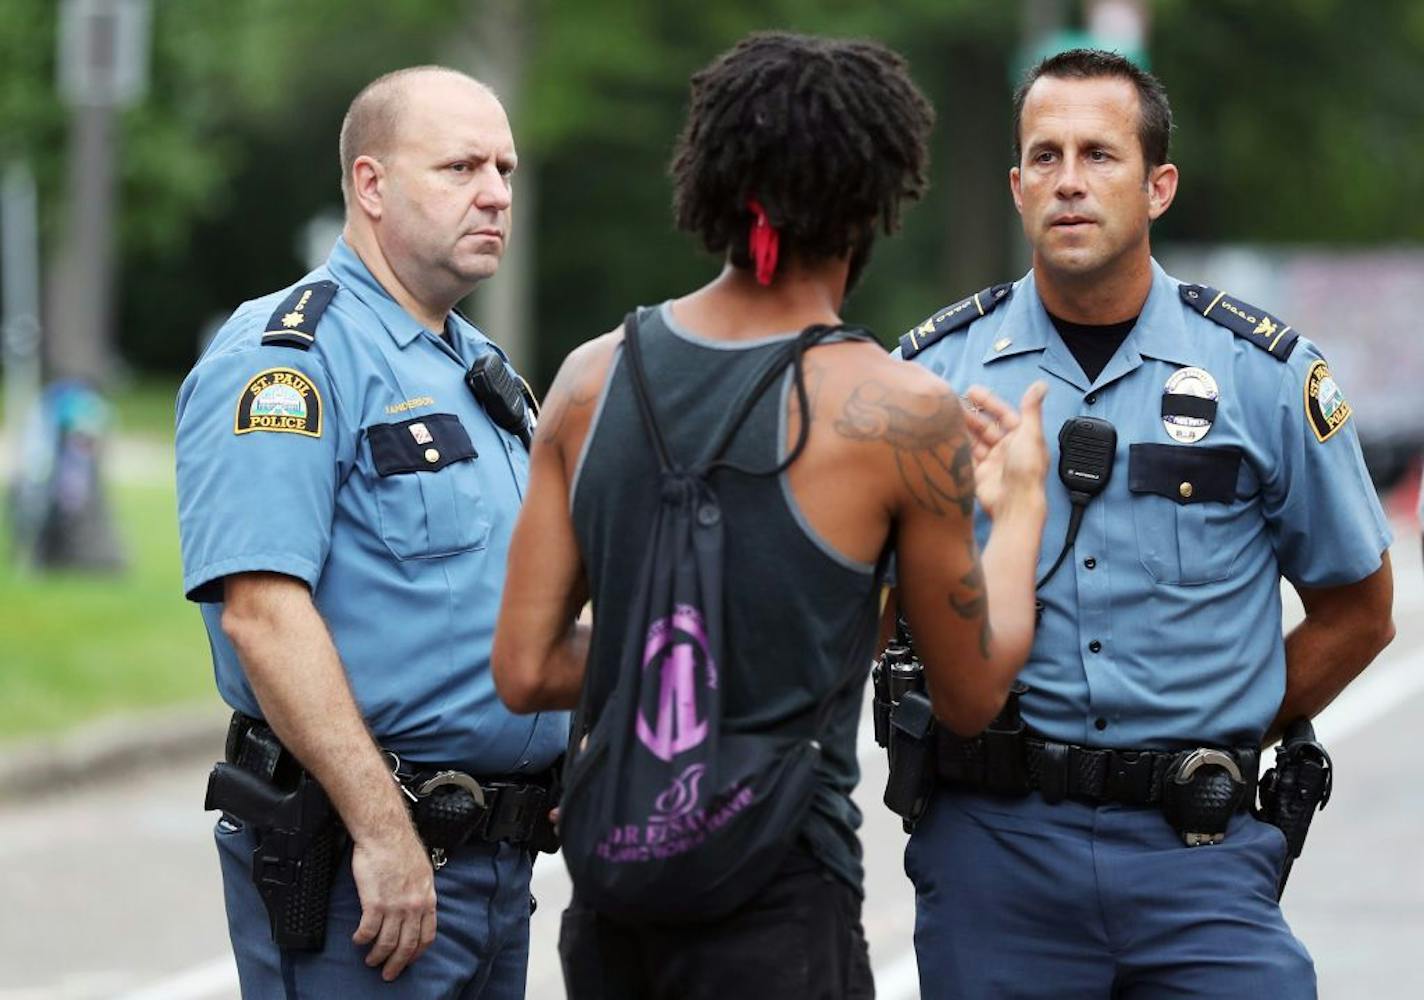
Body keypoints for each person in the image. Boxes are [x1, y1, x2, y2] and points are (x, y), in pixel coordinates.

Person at [490, 31, 1049, 1000]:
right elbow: (969, 694)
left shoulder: (588, 379)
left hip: (614, 892)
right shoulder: (900, 412)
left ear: (711, 180)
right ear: (872, 196)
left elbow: (525, 667)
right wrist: (1023, 506)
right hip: (778, 897)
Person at [896, 48, 1396, 998]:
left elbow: (1359, 609)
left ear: (1159, 185)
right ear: (1014, 186)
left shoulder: (1266, 376)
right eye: (1044, 157)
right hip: (995, 853)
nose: (1070, 181)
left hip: (1198, 857)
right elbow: (861, 607)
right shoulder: (929, 380)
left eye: (1100, 154)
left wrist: (1234, 722)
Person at [174, 66, 565, 998]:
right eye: (462, 166)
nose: (496, 194)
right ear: (372, 184)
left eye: (506, 169)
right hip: (364, 871)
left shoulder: (481, 371)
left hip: (494, 868)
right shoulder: (288, 361)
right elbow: (264, 616)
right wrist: (385, 833)